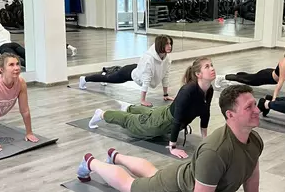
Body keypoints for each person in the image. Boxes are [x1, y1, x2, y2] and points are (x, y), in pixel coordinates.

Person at [76, 84, 278, 192]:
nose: (257, 110)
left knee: (154, 175)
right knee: (130, 188)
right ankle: (91, 163)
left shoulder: (254, 140)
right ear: (230, 115)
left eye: (255, 104)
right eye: (249, 107)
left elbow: (251, 173)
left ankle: (116, 156)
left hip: (184, 176)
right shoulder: (216, 151)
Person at [87, 57, 215, 159]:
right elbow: (177, 119)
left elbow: (205, 113)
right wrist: (173, 147)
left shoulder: (209, 90)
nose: (212, 68)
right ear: (198, 74)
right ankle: (101, 114)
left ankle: (129, 107)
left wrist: (204, 139)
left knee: (150, 113)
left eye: (211, 65)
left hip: (165, 113)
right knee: (131, 122)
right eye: (207, 66)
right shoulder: (188, 90)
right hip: (162, 122)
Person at [79, 35, 173, 107]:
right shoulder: (149, 59)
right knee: (108, 78)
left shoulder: (167, 58)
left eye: (170, 43)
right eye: (166, 44)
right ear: (160, 45)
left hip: (137, 69)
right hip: (128, 73)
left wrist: (165, 95)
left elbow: (165, 75)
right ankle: (84, 79)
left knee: (113, 74)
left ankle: (108, 71)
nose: (169, 46)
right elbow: (146, 80)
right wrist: (142, 100)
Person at [215, 40, 285, 101]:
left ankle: (240, 75)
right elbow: (281, 81)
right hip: (265, 76)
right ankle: (221, 77)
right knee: (247, 80)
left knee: (248, 77)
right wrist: (274, 98)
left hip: (271, 76)